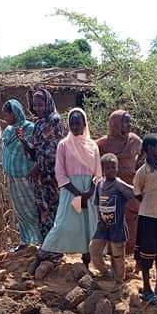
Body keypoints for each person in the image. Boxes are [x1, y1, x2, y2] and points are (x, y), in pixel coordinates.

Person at [37, 108, 100, 266]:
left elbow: (98, 172)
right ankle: (41, 255)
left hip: (89, 192)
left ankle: (86, 263)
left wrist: (90, 191)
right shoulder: (63, 145)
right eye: (71, 123)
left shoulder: (93, 146)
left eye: (77, 123)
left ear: (84, 124)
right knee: (63, 225)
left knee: (87, 226)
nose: (74, 127)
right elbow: (60, 172)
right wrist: (77, 192)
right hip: (70, 192)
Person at [96, 110, 143, 259]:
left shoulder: (134, 140)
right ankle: (114, 254)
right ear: (115, 124)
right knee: (113, 218)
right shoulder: (102, 143)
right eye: (126, 122)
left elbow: (142, 156)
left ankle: (131, 251)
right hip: (113, 187)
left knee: (132, 217)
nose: (129, 125)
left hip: (130, 185)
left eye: (130, 121)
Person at [20, 88, 66, 236]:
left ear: (48, 103)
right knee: (43, 209)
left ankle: (56, 248)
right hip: (41, 177)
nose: (37, 108)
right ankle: (48, 246)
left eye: (40, 105)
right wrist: (23, 141)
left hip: (52, 175)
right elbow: (35, 152)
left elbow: (53, 152)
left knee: (53, 208)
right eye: (35, 105)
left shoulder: (54, 121)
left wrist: (37, 167)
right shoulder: (39, 123)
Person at [133, 133, 157, 303]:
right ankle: (147, 288)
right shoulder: (142, 172)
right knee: (147, 253)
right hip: (148, 217)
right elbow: (137, 192)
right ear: (149, 149)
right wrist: (149, 205)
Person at [0, 99, 41, 250]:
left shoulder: (30, 128)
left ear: (15, 113)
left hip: (27, 177)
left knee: (31, 208)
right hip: (13, 177)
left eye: (7, 115)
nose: (5, 119)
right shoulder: (8, 131)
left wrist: (23, 140)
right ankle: (25, 241)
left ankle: (40, 241)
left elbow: (35, 152)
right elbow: (6, 151)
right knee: (20, 210)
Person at [89, 153, 135, 284]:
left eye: (113, 167)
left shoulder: (119, 184)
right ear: (102, 170)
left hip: (117, 226)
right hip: (102, 225)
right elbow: (98, 204)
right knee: (94, 249)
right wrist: (100, 220)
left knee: (118, 254)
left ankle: (119, 279)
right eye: (108, 168)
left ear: (117, 168)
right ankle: (105, 272)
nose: (111, 170)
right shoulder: (99, 184)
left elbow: (134, 193)